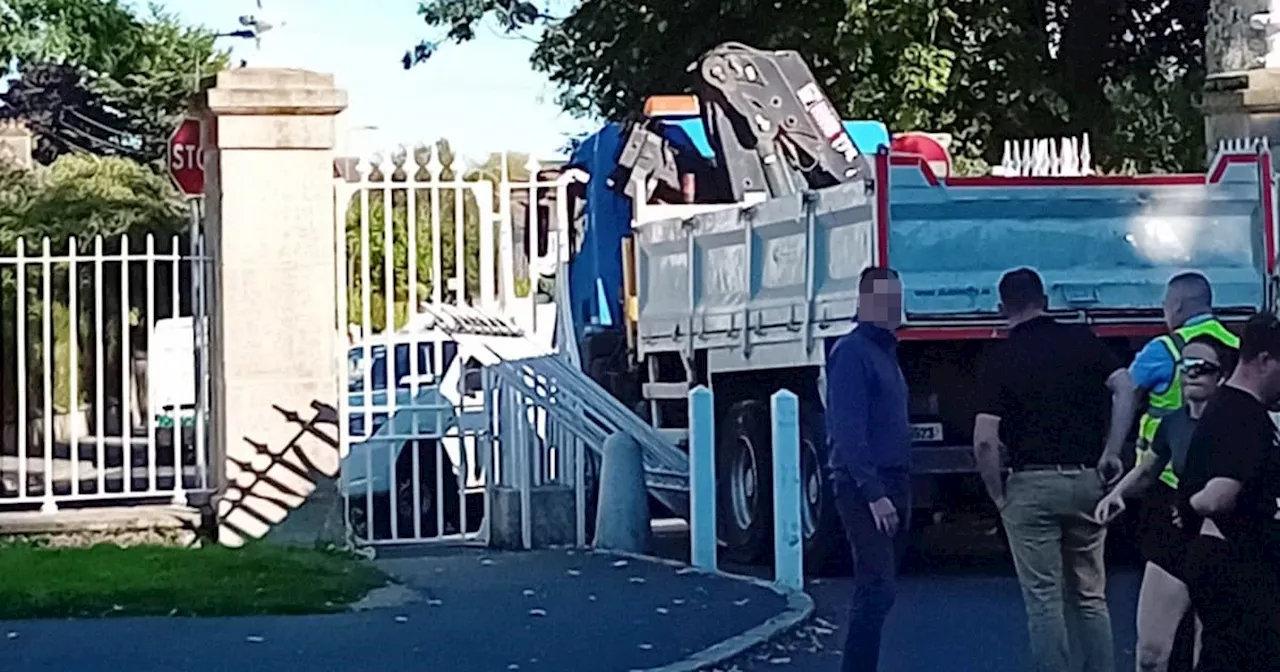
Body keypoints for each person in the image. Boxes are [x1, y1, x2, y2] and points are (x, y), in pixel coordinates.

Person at [973, 267, 1138, 672]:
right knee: (1090, 595)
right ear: (1045, 301)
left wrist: (998, 494)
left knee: (1044, 599)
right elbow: (1125, 387)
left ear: (1002, 309)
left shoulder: (1000, 358)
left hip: (1029, 486)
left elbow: (985, 440)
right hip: (1086, 480)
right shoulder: (1083, 342)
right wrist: (1112, 451)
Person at [1094, 336, 1237, 672]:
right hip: (1175, 535)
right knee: (1150, 654)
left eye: (1203, 368)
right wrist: (1116, 494)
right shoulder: (1172, 422)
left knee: (1211, 652)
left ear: (1222, 378)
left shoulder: (1239, 425)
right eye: (1185, 367)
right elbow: (1147, 469)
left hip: (1222, 542)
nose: (1192, 374)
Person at [1179, 313, 1280, 671]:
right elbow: (1219, 495)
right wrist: (1191, 500)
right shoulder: (1243, 416)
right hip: (1237, 562)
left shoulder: (1230, 407)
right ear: (1264, 360)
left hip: (1229, 558)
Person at [825, 266, 910, 672]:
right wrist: (873, 492)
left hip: (892, 478)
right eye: (884, 299)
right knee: (876, 587)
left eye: (896, 297)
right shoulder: (853, 353)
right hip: (864, 486)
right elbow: (848, 429)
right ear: (864, 302)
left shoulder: (885, 352)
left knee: (880, 587)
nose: (894, 307)